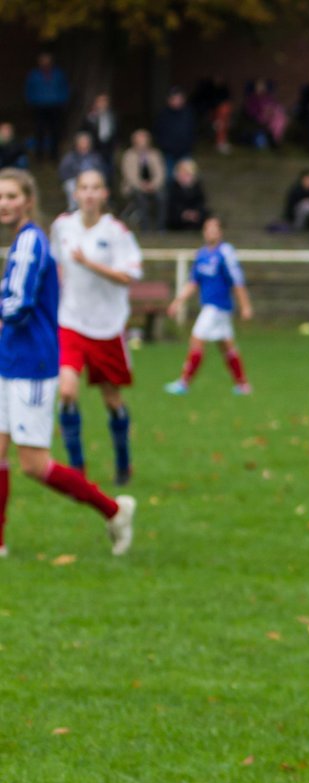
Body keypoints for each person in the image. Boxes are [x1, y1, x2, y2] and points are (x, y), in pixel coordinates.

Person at [0, 168, 135, 557]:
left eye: (12, 196)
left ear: (28, 201)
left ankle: (113, 511)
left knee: (34, 464)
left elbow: (19, 305)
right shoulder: (26, 242)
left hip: (31, 365)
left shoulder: (30, 242)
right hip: (11, 360)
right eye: (1, 197)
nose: (5, 204)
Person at [49, 168, 141, 486]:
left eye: (95, 188)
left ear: (104, 194)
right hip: (70, 321)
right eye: (83, 188)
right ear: (75, 194)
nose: (89, 194)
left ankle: (123, 462)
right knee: (67, 391)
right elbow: (55, 267)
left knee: (112, 400)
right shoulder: (62, 226)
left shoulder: (117, 232)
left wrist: (89, 263)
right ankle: (77, 470)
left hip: (106, 327)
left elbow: (128, 276)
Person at [164, 216, 253, 395]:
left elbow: (237, 280)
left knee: (196, 339)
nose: (211, 232)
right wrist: (178, 301)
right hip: (211, 307)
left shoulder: (225, 252)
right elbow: (193, 282)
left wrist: (245, 305)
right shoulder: (202, 254)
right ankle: (243, 385)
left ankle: (184, 383)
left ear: (220, 232)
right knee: (226, 345)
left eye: (214, 229)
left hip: (218, 306)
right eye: (207, 229)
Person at [24, 53, 69, 162]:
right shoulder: (34, 74)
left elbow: (65, 87)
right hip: (39, 106)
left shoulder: (58, 73)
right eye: (43, 60)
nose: (45, 63)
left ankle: (54, 155)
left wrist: (61, 100)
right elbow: (28, 89)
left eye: (47, 60)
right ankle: (39, 156)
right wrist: (33, 101)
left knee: (55, 131)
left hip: (55, 106)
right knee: (39, 131)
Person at [119, 129, 165, 233]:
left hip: (153, 187)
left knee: (161, 197)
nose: (142, 143)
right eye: (139, 140)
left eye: (144, 140)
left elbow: (160, 173)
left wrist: (153, 185)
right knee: (141, 198)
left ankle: (160, 228)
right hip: (133, 188)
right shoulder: (128, 155)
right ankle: (145, 228)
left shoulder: (155, 154)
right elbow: (129, 176)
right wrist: (141, 186)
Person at [153, 88, 197, 177]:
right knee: (169, 176)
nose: (177, 101)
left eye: (179, 99)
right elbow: (158, 132)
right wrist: (164, 145)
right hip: (168, 153)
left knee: (187, 176)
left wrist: (190, 144)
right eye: (174, 99)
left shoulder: (189, 113)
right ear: (169, 100)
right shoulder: (163, 115)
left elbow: (193, 130)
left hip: (185, 151)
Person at [57, 132, 106, 211]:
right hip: (75, 181)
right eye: (82, 142)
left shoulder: (95, 157)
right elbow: (63, 173)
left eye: (86, 142)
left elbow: (101, 172)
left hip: (92, 181)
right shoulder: (69, 157)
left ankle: (94, 209)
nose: (84, 144)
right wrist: (78, 178)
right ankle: (73, 209)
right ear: (77, 144)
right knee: (70, 186)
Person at [80, 94, 118, 184]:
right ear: (96, 103)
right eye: (100, 102)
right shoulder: (91, 117)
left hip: (109, 147)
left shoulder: (113, 116)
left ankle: (108, 189)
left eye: (105, 101)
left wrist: (115, 145)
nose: (102, 104)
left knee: (109, 170)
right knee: (96, 169)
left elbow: (116, 132)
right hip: (95, 148)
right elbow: (84, 132)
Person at [191, 75, 233, 155]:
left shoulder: (224, 90)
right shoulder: (211, 90)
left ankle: (223, 142)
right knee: (219, 126)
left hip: (222, 111)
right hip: (216, 111)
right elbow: (210, 102)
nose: (218, 80)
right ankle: (219, 143)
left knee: (223, 126)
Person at [243, 77, 289, 149]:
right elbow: (251, 110)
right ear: (255, 87)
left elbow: (274, 105)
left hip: (271, 115)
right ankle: (274, 140)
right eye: (258, 86)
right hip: (260, 116)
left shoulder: (267, 97)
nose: (260, 88)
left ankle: (276, 139)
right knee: (273, 121)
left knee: (280, 118)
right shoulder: (252, 98)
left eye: (262, 86)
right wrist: (262, 112)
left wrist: (273, 110)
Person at [165, 158, 207, 232]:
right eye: (183, 174)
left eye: (188, 174)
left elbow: (201, 203)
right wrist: (184, 214)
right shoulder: (173, 188)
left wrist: (194, 213)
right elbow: (172, 206)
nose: (185, 177)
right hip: (178, 219)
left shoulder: (197, 188)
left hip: (194, 218)